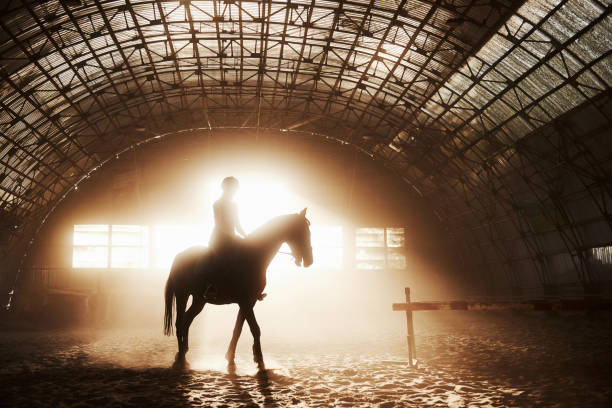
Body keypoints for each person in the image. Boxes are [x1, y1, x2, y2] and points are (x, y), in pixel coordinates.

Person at [209, 176, 246, 247]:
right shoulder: (218, 204)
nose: (235, 191)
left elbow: (237, 225)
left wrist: (246, 237)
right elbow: (219, 225)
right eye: (234, 188)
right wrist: (233, 238)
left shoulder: (234, 205)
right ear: (226, 188)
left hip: (231, 238)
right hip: (219, 240)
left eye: (236, 188)